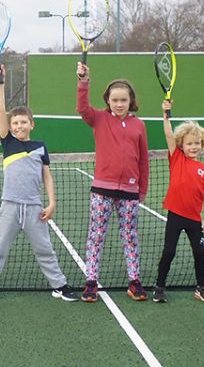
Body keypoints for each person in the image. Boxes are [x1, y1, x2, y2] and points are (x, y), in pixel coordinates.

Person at [0, 65, 78, 304]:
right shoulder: (8, 143)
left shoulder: (40, 147)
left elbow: (47, 176)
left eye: (23, 122)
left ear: (32, 124)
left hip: (34, 209)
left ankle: (59, 285)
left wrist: (52, 203)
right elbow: (0, 109)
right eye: (14, 122)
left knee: (45, 251)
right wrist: (0, 82)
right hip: (9, 207)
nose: (18, 126)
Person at [76, 62, 149, 302]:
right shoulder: (98, 118)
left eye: (123, 100)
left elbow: (143, 161)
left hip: (130, 191)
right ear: (108, 101)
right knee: (96, 236)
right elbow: (82, 108)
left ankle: (134, 281)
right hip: (102, 191)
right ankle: (91, 282)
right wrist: (83, 81)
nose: (119, 104)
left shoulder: (139, 125)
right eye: (115, 100)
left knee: (130, 237)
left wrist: (142, 189)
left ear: (131, 101)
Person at [154, 101, 204, 303]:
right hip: (175, 215)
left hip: (194, 219)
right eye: (189, 143)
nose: (194, 147)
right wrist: (165, 115)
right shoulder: (176, 158)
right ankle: (159, 287)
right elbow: (168, 135)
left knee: (199, 252)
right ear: (182, 145)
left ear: (202, 145)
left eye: (197, 143)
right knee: (169, 251)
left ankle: (202, 287)